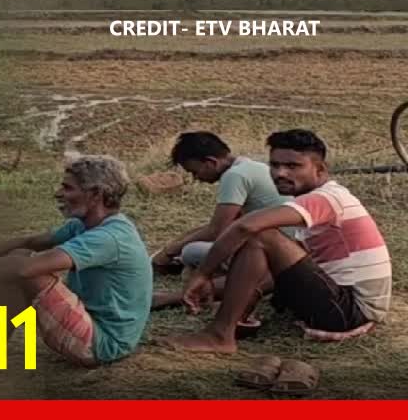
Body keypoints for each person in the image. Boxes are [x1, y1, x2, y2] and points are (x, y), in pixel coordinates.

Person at [160, 129, 392, 354]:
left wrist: (202, 274)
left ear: (320, 170)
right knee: (265, 242)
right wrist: (248, 293)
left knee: (261, 235)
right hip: (342, 302)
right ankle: (222, 324)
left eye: (293, 166)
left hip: (351, 310)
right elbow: (286, 265)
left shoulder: (326, 199)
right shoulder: (319, 199)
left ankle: (220, 335)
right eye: (275, 165)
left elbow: (244, 226)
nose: (280, 173)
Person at [0, 155, 153, 367]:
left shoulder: (108, 238)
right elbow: (30, 241)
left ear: (96, 194)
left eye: (68, 188)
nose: (58, 193)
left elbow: (26, 269)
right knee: (19, 260)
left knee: (23, 268)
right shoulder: (87, 225)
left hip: (103, 344)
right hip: (91, 326)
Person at [150, 131, 293, 310]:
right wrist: (173, 246)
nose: (196, 178)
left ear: (211, 162)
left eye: (195, 171)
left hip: (273, 254)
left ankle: (176, 296)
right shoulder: (251, 166)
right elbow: (223, 225)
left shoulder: (234, 176)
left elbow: (216, 230)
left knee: (190, 252)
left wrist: (169, 252)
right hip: (288, 246)